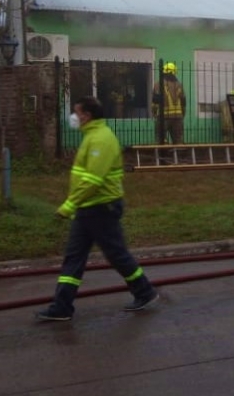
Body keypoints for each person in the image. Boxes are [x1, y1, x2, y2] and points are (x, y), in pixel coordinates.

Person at [36, 96, 159, 321]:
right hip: (88, 208)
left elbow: (93, 180)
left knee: (116, 254)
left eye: (76, 112)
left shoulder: (101, 140)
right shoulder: (91, 136)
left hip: (102, 207)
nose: (73, 117)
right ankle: (62, 306)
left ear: (87, 115)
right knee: (74, 257)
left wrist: (68, 205)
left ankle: (145, 291)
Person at [152, 62, 186, 145]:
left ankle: (163, 156)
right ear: (174, 72)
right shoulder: (179, 85)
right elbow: (183, 102)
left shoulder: (158, 84)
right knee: (178, 141)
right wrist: (182, 114)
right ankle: (178, 156)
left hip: (163, 117)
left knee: (161, 140)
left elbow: (155, 102)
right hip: (177, 117)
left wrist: (154, 113)